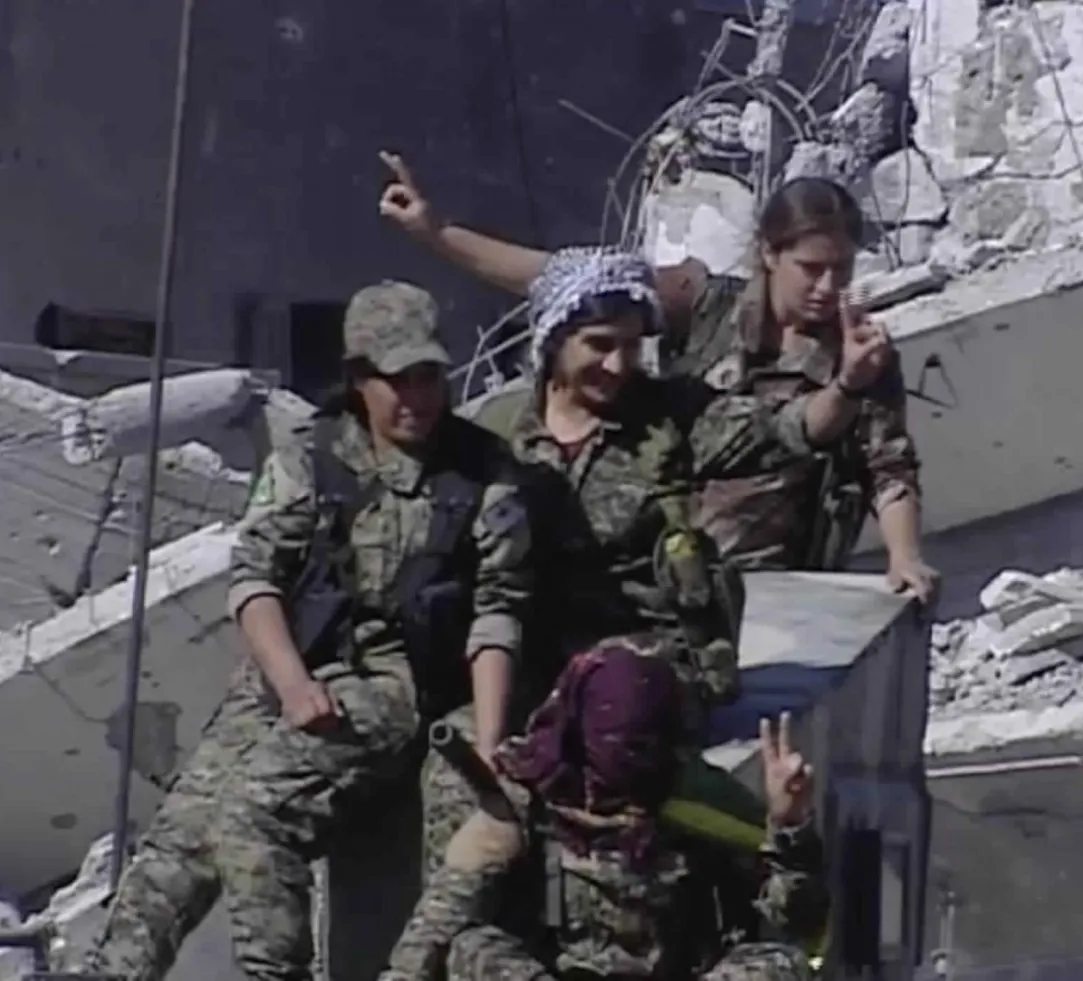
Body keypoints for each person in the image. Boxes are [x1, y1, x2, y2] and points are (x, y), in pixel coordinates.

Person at [407, 243, 891, 894]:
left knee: (609, 743)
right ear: (554, 340)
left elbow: (794, 430)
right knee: (453, 765)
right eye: (600, 344)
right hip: (545, 663)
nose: (618, 364)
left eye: (633, 346)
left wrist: (850, 382)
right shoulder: (507, 443)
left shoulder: (673, 415)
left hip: (650, 659)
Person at [85, 281, 534, 981]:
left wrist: (488, 736)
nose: (417, 397)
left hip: (394, 681)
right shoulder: (312, 455)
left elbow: (498, 610)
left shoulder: (482, 471)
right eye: (397, 381)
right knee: (177, 845)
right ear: (359, 379)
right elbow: (255, 578)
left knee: (254, 811)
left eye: (429, 378)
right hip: (292, 670)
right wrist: (291, 685)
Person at [377, 151, 936, 599]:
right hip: (661, 558)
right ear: (770, 254)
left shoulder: (859, 354)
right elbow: (571, 280)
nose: (828, 286)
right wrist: (437, 232)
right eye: (812, 269)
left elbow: (888, 467)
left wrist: (904, 557)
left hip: (780, 578)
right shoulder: (705, 306)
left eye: (843, 268)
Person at [381, 641, 825, 981]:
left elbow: (800, 921)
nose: (628, 764)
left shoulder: (698, 802)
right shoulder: (524, 794)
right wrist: (482, 856)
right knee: (472, 948)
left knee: (778, 966)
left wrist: (789, 826)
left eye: (642, 746)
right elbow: (435, 933)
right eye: (614, 744)